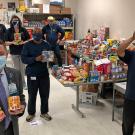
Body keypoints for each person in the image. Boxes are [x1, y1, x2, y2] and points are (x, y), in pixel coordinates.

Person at [21, 27, 52, 122]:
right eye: (35, 33)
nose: (36, 35)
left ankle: (44, 112)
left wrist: (49, 58)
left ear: (41, 34)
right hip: (32, 74)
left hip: (44, 74)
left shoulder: (46, 44)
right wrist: (35, 59)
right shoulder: (27, 45)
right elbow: (23, 59)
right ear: (32, 34)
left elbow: (50, 58)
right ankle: (31, 113)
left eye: (38, 33)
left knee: (45, 94)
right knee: (32, 94)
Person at [0, 41, 26, 135]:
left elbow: (21, 97)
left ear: (7, 55)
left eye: (1, 54)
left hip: (12, 126)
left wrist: (22, 106)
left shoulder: (15, 74)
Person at [117, 32, 135, 135]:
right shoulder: (132, 55)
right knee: (127, 127)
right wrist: (132, 38)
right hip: (131, 98)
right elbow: (119, 51)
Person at [5, 15, 30, 88]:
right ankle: (18, 84)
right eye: (14, 21)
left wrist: (23, 42)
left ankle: (23, 84)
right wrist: (12, 42)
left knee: (22, 69)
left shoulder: (23, 29)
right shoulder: (9, 30)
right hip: (14, 52)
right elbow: (5, 42)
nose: (15, 22)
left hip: (22, 52)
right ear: (11, 22)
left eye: (17, 20)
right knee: (16, 69)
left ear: (19, 21)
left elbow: (28, 40)